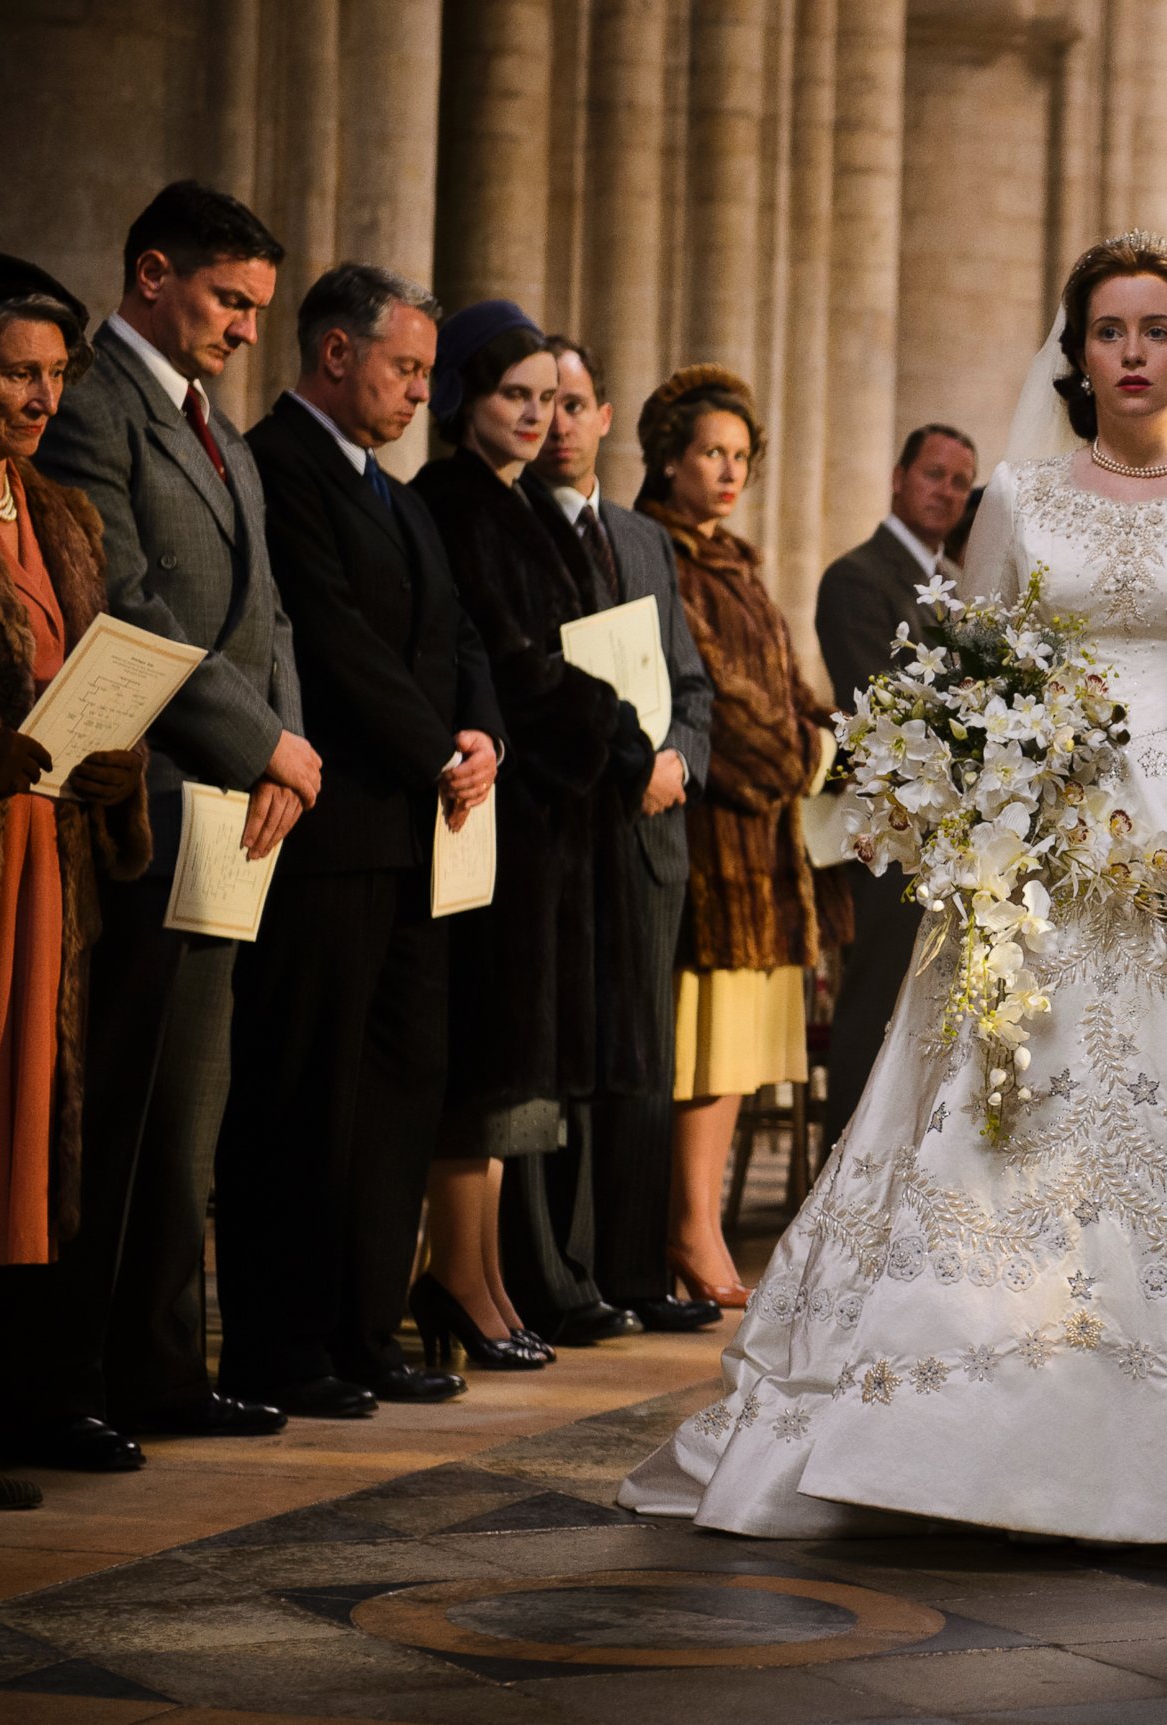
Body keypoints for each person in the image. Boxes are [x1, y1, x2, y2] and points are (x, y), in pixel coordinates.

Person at [623, 231, 1167, 1559]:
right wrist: (963, 793)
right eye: (1109, 331)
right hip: (1038, 853)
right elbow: (966, 674)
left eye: (1158, 329)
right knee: (1001, 1113)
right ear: (1077, 352)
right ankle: (943, 1436)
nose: (1134, 353)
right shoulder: (1020, 502)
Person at [29, 183, 311, 1455]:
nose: (248, 328)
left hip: (232, 806)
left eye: (257, 306)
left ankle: (159, 1364)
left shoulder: (214, 426)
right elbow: (128, 607)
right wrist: (265, 743)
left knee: (189, 1105)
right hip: (143, 798)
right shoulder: (96, 405)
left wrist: (285, 755)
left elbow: (270, 614)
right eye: (229, 300)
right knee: (122, 1109)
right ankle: (73, 1373)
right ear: (153, 272)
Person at [219, 264, 504, 1412]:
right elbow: (332, 644)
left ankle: (363, 1330)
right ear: (336, 353)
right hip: (329, 831)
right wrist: (437, 747)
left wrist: (483, 730)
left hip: (418, 835)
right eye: (407, 369)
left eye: (429, 375)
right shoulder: (277, 465)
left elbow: (460, 633)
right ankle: (283, 1344)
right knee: (306, 1093)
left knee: (396, 1093)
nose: (420, 395)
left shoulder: (399, 493)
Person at [413, 300, 640, 1370]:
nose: (539, 417)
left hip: (546, 820)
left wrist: (604, 724)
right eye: (517, 396)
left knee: (522, 1058)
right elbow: (514, 663)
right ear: (464, 396)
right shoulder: (458, 502)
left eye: (551, 400)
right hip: (493, 807)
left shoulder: (519, 506)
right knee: (490, 1057)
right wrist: (614, 728)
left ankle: (488, 1277)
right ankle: (459, 1275)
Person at [519, 335, 719, 1338]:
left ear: (605, 419)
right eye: (544, 403)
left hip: (648, 831)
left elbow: (689, 678)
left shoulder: (642, 540)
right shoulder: (514, 524)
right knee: (563, 1059)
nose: (561, 422)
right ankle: (562, 1275)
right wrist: (624, 765)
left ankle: (639, 1273)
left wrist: (681, 758)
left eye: (578, 402)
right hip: (567, 822)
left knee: (643, 1056)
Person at [637, 366, 842, 1312]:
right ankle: (687, 1226)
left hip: (763, 847)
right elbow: (714, 702)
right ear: (669, 457)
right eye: (711, 454)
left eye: (740, 457)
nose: (728, 472)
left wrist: (828, 735)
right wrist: (803, 751)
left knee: (733, 1057)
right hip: (713, 836)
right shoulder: (660, 555)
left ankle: (700, 1222)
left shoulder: (741, 562)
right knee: (700, 1048)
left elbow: (788, 687)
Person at [0, 257, 154, 1507]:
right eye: (14, 372)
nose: (38, 398)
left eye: (53, 375)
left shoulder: (63, 510)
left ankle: (28, 1389)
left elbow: (95, 660)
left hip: (49, 860)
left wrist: (119, 758)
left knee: (34, 1129)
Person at [815, 422, 976, 1140]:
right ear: (898, 475)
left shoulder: (956, 590)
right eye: (933, 474)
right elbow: (877, 701)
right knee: (876, 1001)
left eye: (959, 482)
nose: (946, 491)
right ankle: (841, 1171)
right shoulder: (857, 576)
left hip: (954, 835)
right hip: (892, 830)